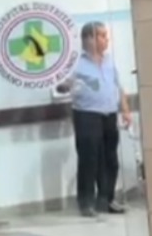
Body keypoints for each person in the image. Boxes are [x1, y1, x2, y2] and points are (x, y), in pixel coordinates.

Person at [56, 22, 132, 218]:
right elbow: (61, 85)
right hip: (86, 115)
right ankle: (86, 203)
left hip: (109, 115)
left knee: (110, 160)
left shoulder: (109, 61)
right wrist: (67, 86)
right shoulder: (76, 63)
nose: (107, 39)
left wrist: (125, 110)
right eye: (102, 36)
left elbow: (119, 86)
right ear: (90, 38)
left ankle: (106, 200)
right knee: (89, 159)